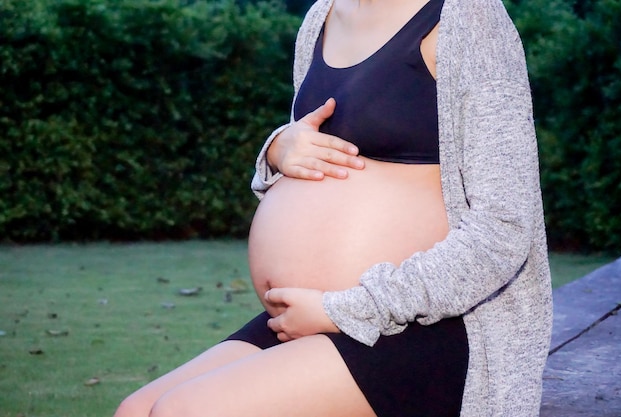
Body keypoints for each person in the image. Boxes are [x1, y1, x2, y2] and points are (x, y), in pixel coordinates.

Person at [113, 0, 553, 415]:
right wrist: (277, 150)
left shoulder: (468, 18)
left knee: (183, 411)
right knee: (134, 411)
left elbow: (504, 230)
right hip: (316, 317)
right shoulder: (321, 16)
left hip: (429, 325)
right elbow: (312, 162)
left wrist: (347, 309)